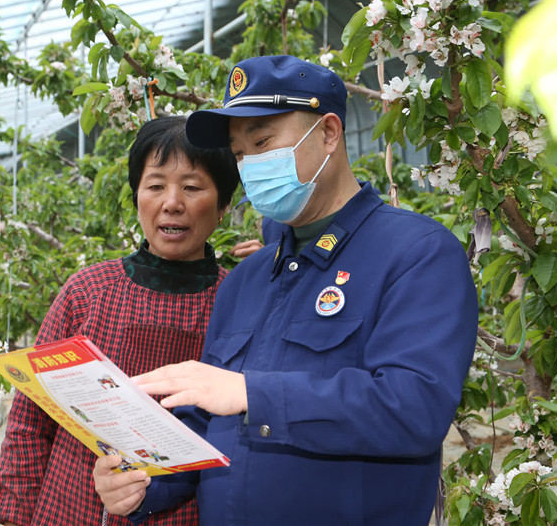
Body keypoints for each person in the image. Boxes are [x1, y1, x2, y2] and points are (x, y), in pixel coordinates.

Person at [94, 55, 478, 525]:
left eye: (263, 141)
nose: (251, 164)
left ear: (329, 133)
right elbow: (206, 419)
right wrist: (143, 481)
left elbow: (412, 408)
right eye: (239, 154)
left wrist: (253, 393)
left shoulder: (415, 252)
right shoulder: (244, 282)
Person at [0, 115, 239, 526]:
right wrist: (16, 513)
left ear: (224, 205)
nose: (171, 202)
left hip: (183, 512)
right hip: (70, 503)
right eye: (155, 185)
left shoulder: (235, 303)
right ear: (137, 195)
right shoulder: (87, 291)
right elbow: (30, 418)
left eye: (192, 188)